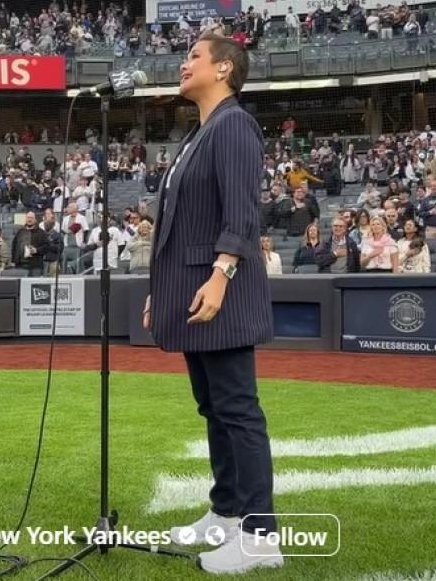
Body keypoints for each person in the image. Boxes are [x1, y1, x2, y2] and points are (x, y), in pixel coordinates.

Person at [143, 33, 281, 573]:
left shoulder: (234, 124)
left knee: (239, 410)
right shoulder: (201, 132)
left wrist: (222, 275)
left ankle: (261, 536)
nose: (184, 63)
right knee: (215, 408)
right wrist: (163, 289)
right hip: (193, 292)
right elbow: (182, 226)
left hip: (220, 293)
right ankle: (226, 513)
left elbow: (241, 213)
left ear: (223, 69)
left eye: (194, 57)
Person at [12, 211, 48, 276]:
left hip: (35, 266)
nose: (29, 219)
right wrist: (13, 261)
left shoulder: (41, 233)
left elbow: (47, 247)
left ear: (35, 220)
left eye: (31, 218)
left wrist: (36, 250)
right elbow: (14, 246)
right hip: (20, 265)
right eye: (28, 217)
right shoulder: (20, 231)